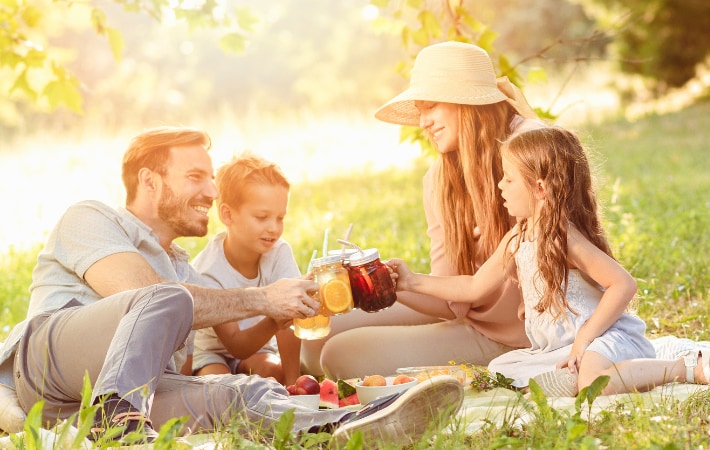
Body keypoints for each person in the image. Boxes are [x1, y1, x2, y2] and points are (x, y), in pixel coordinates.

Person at [0, 127, 462, 447]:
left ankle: (355, 425)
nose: (212, 190)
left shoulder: (189, 275)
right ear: (148, 180)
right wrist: (263, 298)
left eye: (211, 176)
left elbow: (178, 359)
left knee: (243, 393)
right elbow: (139, 296)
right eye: (196, 176)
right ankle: (118, 423)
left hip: (99, 407)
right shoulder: (91, 217)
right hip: (45, 367)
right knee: (164, 297)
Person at [387, 127, 710, 396]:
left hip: (604, 336)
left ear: (539, 188)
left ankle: (681, 368)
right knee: (503, 369)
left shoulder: (563, 237)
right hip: (563, 346)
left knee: (592, 383)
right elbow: (474, 286)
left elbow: (623, 284)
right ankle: (598, 370)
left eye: (509, 178)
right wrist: (410, 280)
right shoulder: (518, 237)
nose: (500, 185)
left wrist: (585, 338)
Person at [308, 41, 545, 379]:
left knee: (340, 355)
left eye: (431, 106)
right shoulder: (439, 179)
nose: (423, 122)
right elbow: (451, 300)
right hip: (470, 313)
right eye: (420, 110)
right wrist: (395, 284)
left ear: (465, 100)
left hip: (521, 334)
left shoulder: (532, 145)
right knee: (318, 337)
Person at [189, 154, 302, 386]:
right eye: (262, 217)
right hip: (212, 352)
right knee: (221, 388)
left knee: (274, 374)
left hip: (258, 348)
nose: (273, 228)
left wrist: (294, 383)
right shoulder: (207, 271)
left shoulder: (279, 253)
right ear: (227, 215)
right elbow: (236, 345)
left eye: (280, 218)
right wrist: (274, 319)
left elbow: (289, 324)